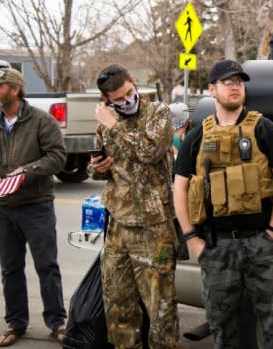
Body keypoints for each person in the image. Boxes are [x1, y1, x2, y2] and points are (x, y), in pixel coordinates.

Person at [173, 60, 273, 348]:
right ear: (212, 89)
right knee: (223, 329)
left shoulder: (264, 128)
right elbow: (180, 186)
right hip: (217, 247)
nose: (235, 86)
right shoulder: (197, 136)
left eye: (239, 81)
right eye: (228, 81)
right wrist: (191, 238)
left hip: (259, 243)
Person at [0, 67, 67, 347]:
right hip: (2, 208)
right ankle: (16, 323)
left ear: (14, 89)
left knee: (47, 266)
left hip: (36, 206)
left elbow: (57, 157)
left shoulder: (41, 121)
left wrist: (26, 171)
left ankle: (57, 322)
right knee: (10, 269)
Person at [88, 64, 180, 348]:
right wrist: (97, 167)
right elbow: (100, 170)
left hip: (154, 226)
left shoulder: (159, 113)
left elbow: (150, 152)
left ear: (134, 83)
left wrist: (113, 125)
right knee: (118, 304)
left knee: (161, 309)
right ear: (106, 99)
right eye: (118, 99)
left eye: (129, 92)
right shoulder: (105, 122)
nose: (126, 100)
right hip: (118, 224)